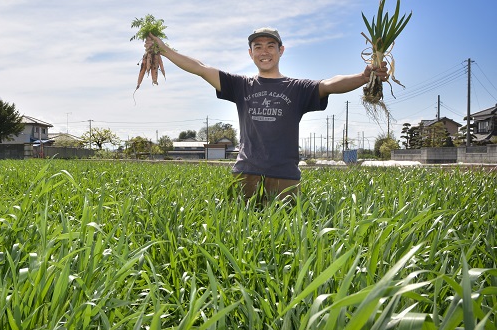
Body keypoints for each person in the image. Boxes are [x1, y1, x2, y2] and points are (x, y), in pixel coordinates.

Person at [145, 27, 388, 203]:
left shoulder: (297, 88)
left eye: (270, 46)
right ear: (250, 53)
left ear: (281, 50)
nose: (264, 51)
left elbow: (329, 84)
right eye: (257, 47)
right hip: (245, 174)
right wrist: (164, 50)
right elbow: (200, 68)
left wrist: (363, 77)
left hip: (285, 177)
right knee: (240, 242)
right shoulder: (241, 85)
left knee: (285, 247)